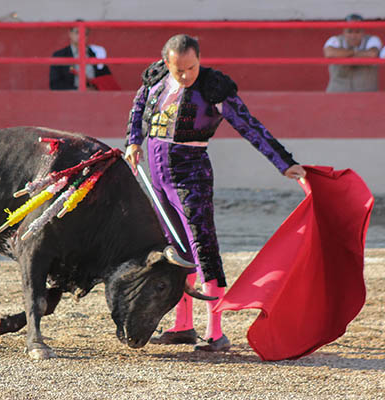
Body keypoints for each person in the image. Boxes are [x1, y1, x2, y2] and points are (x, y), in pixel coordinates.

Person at [124, 34, 306, 352]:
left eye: (191, 68)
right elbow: (139, 108)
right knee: (175, 252)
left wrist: (284, 163)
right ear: (167, 63)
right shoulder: (155, 78)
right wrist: (133, 140)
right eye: (179, 69)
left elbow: (250, 126)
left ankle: (216, 331)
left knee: (203, 250)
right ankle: (182, 326)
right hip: (158, 179)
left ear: (198, 60)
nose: (185, 76)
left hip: (191, 178)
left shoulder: (213, 87)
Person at [323, 13, 382, 92]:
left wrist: (343, 55)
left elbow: (372, 54)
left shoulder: (372, 39)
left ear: (363, 32)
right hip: (337, 92)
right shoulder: (335, 40)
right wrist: (356, 53)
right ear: (343, 31)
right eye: (349, 31)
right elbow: (329, 53)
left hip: (366, 93)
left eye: (357, 32)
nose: (353, 36)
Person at [49, 23, 116, 90]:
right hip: (69, 97)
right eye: (77, 32)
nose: (81, 36)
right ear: (70, 33)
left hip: (94, 96)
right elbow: (55, 84)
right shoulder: (59, 55)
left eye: (85, 33)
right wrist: (77, 90)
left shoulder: (96, 54)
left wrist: (95, 89)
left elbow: (106, 78)